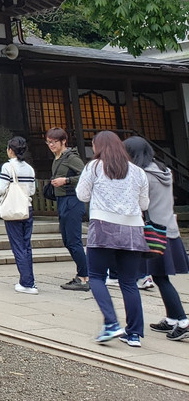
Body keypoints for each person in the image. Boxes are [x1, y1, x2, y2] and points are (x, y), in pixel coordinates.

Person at [76, 130, 150, 346]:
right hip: (133, 229)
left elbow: (82, 195)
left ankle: (111, 323)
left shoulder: (95, 167)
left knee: (96, 276)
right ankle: (134, 333)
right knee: (129, 282)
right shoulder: (137, 171)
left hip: (103, 226)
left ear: (97, 146)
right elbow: (144, 204)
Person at [124, 136, 189, 341]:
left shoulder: (142, 174)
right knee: (161, 277)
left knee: (160, 277)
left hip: (153, 232)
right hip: (169, 228)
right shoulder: (164, 171)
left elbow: (139, 203)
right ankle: (171, 318)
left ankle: (182, 320)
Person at [45, 127, 90, 291]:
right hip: (62, 200)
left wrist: (67, 180)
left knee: (73, 240)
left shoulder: (71, 157)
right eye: (48, 142)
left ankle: (85, 277)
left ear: (63, 141)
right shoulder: (57, 158)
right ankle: (83, 274)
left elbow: (86, 176)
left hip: (72, 200)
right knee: (67, 240)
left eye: (54, 142)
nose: (51, 145)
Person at [0, 136, 38, 294]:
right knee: (26, 245)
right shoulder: (29, 168)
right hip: (27, 207)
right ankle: (30, 280)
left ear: (10, 150)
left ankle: (26, 282)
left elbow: (2, 187)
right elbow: (32, 190)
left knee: (18, 246)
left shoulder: (7, 167)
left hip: (13, 209)